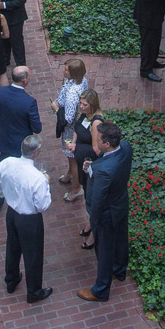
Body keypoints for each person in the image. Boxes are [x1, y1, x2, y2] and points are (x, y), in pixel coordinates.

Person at [0, 134, 52, 304]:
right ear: (36, 153)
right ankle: (34, 291)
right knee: (33, 255)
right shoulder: (38, 178)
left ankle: (11, 280)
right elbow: (43, 206)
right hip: (30, 220)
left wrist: (4, 193)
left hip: (12, 213)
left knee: (12, 248)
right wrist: (47, 184)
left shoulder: (8, 163)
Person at [77, 121, 133, 302]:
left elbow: (98, 199)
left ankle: (101, 289)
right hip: (121, 203)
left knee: (104, 250)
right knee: (121, 240)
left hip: (106, 213)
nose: (97, 141)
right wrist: (92, 166)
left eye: (99, 139)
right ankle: (120, 270)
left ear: (107, 144)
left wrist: (94, 221)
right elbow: (106, 163)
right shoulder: (125, 147)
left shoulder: (104, 171)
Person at [0, 66, 43, 214]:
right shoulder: (29, 102)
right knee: (22, 175)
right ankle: (19, 202)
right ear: (24, 80)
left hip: (5, 141)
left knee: (0, 172)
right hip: (21, 147)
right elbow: (37, 128)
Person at [65, 88, 104, 246]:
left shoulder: (96, 122)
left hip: (90, 167)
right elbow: (77, 128)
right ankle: (90, 223)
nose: (81, 107)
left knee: (92, 199)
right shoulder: (84, 115)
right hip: (82, 164)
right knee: (87, 196)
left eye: (84, 104)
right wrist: (74, 142)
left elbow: (96, 150)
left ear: (92, 105)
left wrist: (77, 149)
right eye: (80, 103)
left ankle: (94, 234)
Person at [50, 59, 89, 201]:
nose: (63, 71)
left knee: (72, 158)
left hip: (70, 131)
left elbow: (67, 119)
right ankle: (69, 174)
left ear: (73, 73)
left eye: (66, 70)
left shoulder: (73, 94)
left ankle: (77, 188)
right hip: (76, 125)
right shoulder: (81, 80)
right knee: (70, 158)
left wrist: (56, 110)